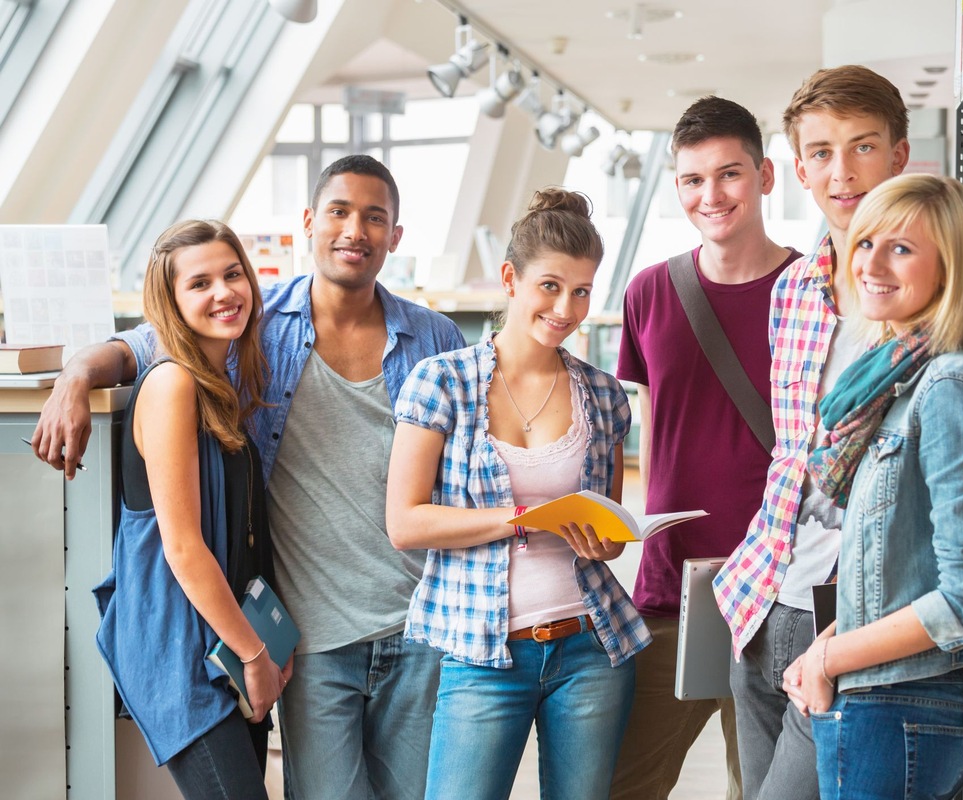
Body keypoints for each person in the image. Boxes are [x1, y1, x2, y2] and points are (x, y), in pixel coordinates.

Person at [31, 155, 465, 799]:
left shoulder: (435, 339)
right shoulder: (255, 328)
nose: (356, 230)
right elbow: (145, 345)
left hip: (420, 627)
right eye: (340, 212)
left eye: (376, 218)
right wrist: (73, 376)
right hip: (310, 635)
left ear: (395, 236)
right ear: (310, 222)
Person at [387, 188, 649, 800]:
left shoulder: (605, 395)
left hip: (592, 648)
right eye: (551, 286)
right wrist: (522, 518)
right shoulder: (442, 382)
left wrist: (606, 542)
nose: (567, 308)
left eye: (582, 291)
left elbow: (604, 529)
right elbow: (405, 522)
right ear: (510, 278)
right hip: (482, 656)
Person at [712, 65, 910, 800]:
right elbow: (790, 452)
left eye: (862, 147)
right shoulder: (791, 287)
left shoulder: (932, 291)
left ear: (898, 155)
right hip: (765, 600)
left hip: (856, 617)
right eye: (822, 153)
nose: (842, 171)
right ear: (798, 169)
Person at [786, 173, 963, 798]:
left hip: (901, 705)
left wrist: (828, 659)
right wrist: (821, 651)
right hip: (880, 698)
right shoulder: (894, 384)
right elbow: (892, 573)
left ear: (950, 268)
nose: (872, 264)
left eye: (902, 249)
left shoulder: (947, 388)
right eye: (865, 244)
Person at [613, 95, 803, 800]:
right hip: (672, 588)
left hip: (781, 592)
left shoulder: (814, 290)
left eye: (729, 174)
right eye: (693, 180)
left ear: (765, 176)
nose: (711, 195)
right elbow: (651, 426)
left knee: (757, 788)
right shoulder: (649, 293)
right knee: (621, 782)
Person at [92, 220, 288, 799]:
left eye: (232, 275)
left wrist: (271, 641)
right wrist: (255, 654)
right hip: (182, 648)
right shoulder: (173, 384)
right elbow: (181, 544)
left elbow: (247, 530)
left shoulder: (221, 385)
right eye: (199, 283)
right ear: (171, 303)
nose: (224, 293)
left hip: (226, 637)